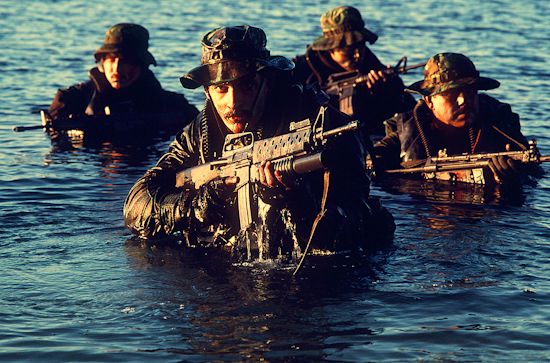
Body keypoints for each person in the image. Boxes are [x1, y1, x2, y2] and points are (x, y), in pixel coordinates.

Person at [123, 25, 395, 262]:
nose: (233, 103)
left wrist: (298, 201)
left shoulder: (326, 127)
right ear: (207, 90)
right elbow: (135, 208)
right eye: (221, 89)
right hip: (217, 273)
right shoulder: (198, 135)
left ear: (269, 81)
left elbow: (358, 223)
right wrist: (195, 206)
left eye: (246, 86)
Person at [372, 52, 537, 186]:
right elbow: (368, 166)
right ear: (429, 101)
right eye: (451, 94)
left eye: (471, 91)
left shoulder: (500, 125)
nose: (464, 100)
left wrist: (514, 178)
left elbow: (536, 174)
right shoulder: (407, 132)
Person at [48, 23, 198, 138]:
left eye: (126, 61)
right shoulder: (71, 99)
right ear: (102, 64)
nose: (117, 68)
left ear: (142, 66)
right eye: (111, 60)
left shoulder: (172, 105)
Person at [292, 6, 416, 136]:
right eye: (349, 48)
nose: (358, 55)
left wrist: (386, 94)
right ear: (330, 48)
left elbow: (410, 113)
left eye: (361, 46)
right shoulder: (301, 70)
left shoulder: (375, 68)